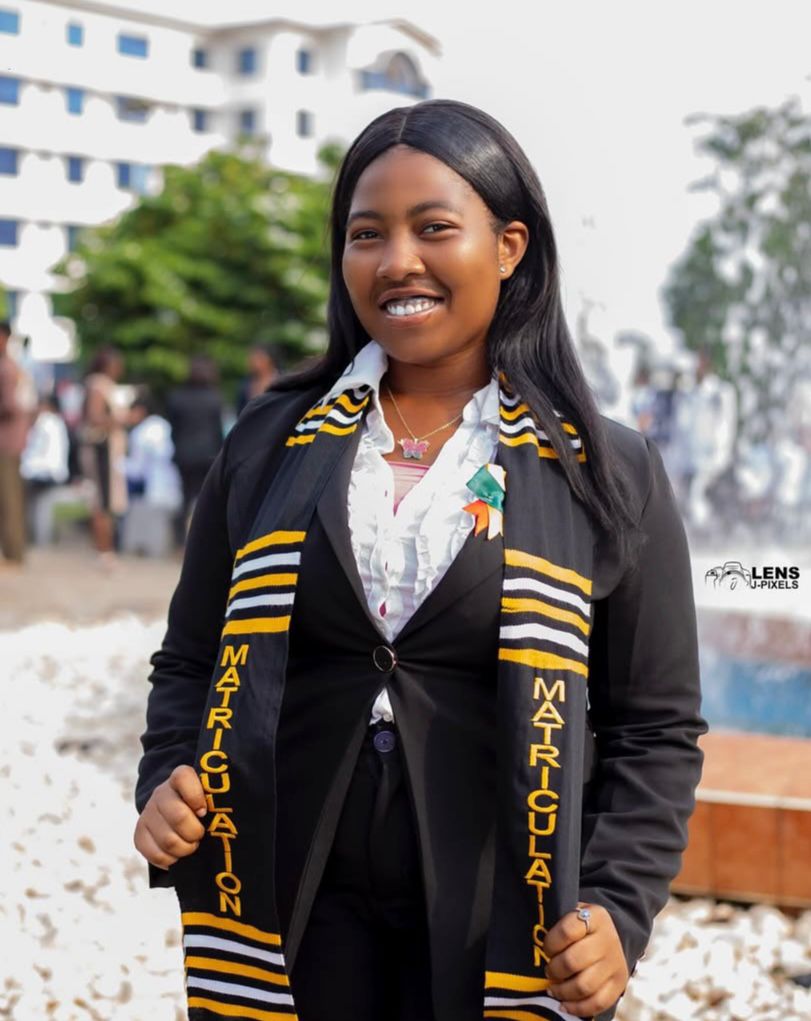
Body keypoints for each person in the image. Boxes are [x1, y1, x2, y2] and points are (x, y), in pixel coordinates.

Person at [134, 100, 705, 1021]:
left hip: (497, 907)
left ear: (509, 246)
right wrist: (165, 772)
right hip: (284, 888)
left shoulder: (603, 470)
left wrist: (617, 901)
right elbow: (191, 658)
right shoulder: (270, 443)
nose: (396, 260)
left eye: (433, 227)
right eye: (366, 234)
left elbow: (655, 726)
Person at [79, 346, 129, 560]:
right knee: (101, 501)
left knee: (106, 501)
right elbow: (95, 417)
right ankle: (104, 549)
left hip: (109, 451)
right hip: (101, 450)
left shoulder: (105, 385)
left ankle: (105, 547)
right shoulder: (98, 385)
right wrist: (123, 419)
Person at [166, 355, 224, 534]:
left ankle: (180, 537)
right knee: (206, 499)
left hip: (184, 454)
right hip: (208, 454)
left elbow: (174, 429)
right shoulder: (214, 398)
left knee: (185, 498)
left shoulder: (177, 397)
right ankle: (203, 536)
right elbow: (217, 431)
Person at [0, 320, 32, 565]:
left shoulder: (7, 369)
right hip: (12, 441)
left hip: (7, 443)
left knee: (9, 500)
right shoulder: (13, 366)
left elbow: (11, 406)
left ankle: (13, 554)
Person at [20, 393, 70, 545]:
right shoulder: (57, 422)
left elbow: (36, 453)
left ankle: (34, 539)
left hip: (44, 472)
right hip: (49, 471)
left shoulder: (46, 421)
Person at [236, 343, 281, 415]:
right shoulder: (245, 384)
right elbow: (240, 412)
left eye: (258, 358)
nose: (252, 362)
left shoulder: (282, 381)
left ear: (269, 359)